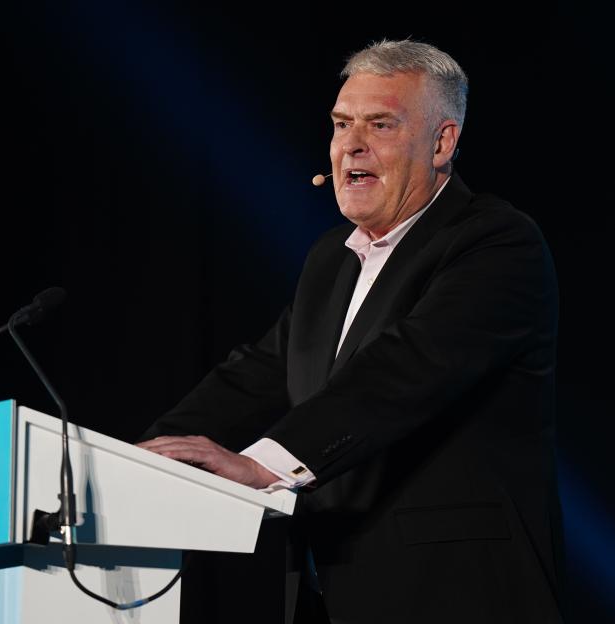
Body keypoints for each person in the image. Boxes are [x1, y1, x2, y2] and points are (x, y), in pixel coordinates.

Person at [138, 39, 564, 624]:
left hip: (456, 593)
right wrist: (137, 460)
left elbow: (406, 367)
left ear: (443, 142)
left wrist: (271, 463)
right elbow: (258, 373)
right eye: (342, 125)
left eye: (381, 125)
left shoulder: (494, 242)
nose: (351, 146)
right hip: (329, 595)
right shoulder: (330, 261)